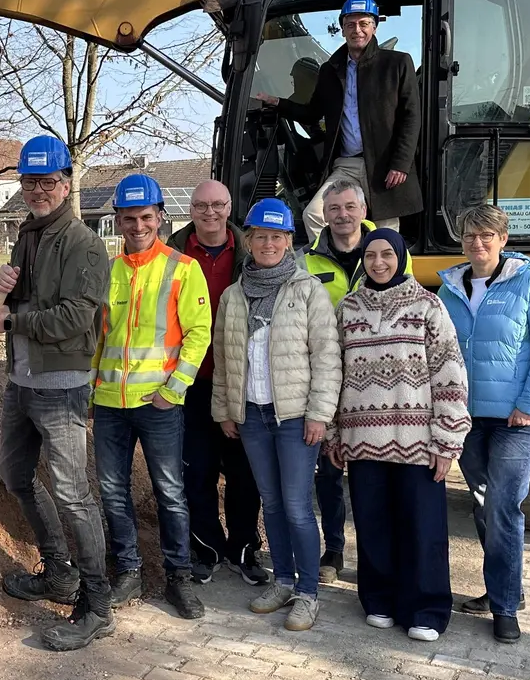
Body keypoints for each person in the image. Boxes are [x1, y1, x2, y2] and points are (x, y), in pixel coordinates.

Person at [0, 135, 114, 652]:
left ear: (65, 183)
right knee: (17, 476)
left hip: (61, 387)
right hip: (22, 380)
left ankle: (96, 606)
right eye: (30, 182)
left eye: (47, 182)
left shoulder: (84, 244)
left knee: (73, 494)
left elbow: (78, 318)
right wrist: (4, 283)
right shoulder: (27, 235)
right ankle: (58, 573)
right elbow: (28, 298)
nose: (38, 190)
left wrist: (11, 319)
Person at [327, 229, 470, 642]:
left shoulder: (428, 305)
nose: (379, 263)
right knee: (372, 525)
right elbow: (333, 373)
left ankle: (425, 609)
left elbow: (449, 373)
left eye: (387, 254)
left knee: (422, 528)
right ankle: (379, 600)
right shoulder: (348, 309)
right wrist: (334, 433)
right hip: (361, 442)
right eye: (371, 255)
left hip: (418, 443)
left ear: (401, 257)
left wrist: (447, 439)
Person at [437, 204, 530, 645]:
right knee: (482, 503)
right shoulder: (450, 289)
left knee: (503, 505)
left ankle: (505, 607)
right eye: (470, 235)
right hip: (467, 419)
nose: (477, 243)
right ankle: (504, 586)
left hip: (516, 419)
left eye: (486, 235)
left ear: (503, 239)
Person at [210, 198, 341, 631]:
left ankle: (308, 592)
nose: (268, 244)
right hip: (251, 415)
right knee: (271, 502)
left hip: (296, 417)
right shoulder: (233, 296)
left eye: (277, 237)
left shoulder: (307, 290)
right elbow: (225, 360)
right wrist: (225, 409)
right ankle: (283, 580)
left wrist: (320, 414)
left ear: (288, 241)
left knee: (298, 506)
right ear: (249, 241)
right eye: (260, 236)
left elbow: (327, 356)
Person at [91, 173, 211, 621]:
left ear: (160, 217)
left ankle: (179, 577)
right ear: (118, 220)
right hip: (110, 403)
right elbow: (99, 337)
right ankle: (128, 571)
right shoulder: (109, 271)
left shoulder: (183, 268)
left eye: (145, 217)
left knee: (170, 492)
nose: (137, 225)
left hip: (157, 404)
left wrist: (172, 392)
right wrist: (91, 391)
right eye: (129, 218)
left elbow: (199, 334)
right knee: (112, 491)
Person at [302, 177, 413, 584]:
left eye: (350, 207)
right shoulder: (306, 261)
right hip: (327, 380)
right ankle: (333, 550)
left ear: (364, 211)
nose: (342, 215)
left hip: (381, 385)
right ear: (324, 214)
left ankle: (382, 557)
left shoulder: (388, 251)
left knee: (378, 476)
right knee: (328, 471)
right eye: (334, 208)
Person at [165, 179, 270, 586]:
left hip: (240, 379)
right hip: (189, 381)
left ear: (229, 208)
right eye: (201, 205)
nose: (210, 212)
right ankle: (206, 549)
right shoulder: (173, 253)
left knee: (244, 473)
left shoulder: (250, 253)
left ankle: (244, 549)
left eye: (218, 205)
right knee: (197, 471)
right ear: (190, 209)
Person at [256, 0, 421, 238]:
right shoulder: (330, 70)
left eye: (364, 23)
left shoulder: (397, 63)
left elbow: (411, 116)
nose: (357, 30)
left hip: (384, 164)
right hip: (346, 165)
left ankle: (383, 263)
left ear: (374, 27)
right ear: (342, 29)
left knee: (385, 232)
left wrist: (400, 164)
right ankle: (338, 261)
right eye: (350, 24)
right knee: (314, 215)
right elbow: (312, 112)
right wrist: (277, 102)